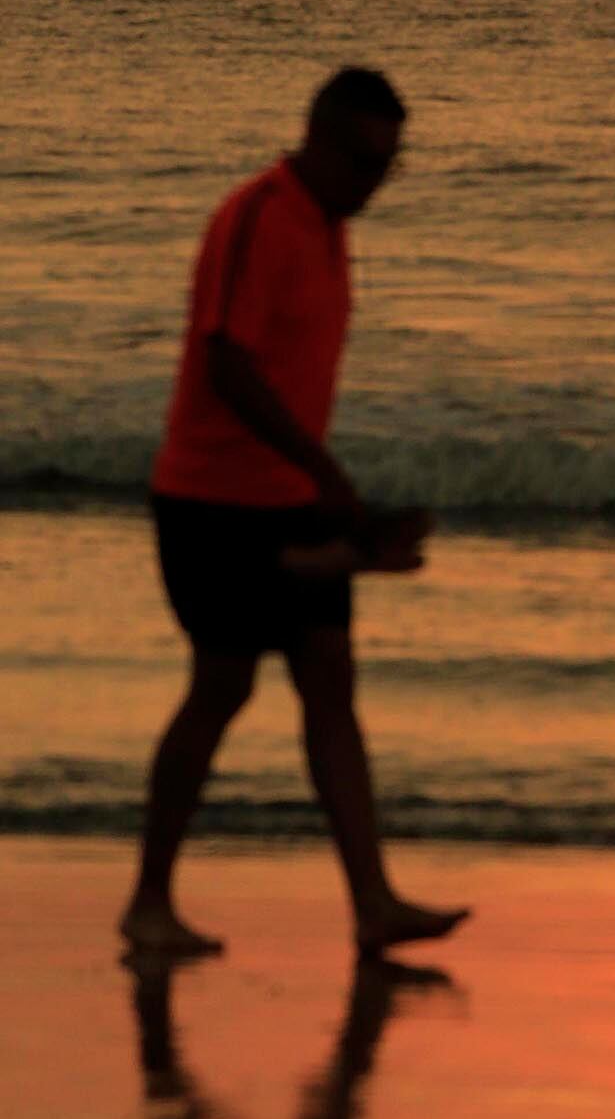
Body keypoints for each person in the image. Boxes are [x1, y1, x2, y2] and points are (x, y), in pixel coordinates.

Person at [120, 67, 468, 959]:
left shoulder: (328, 229)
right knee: (224, 685)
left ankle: (373, 905)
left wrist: (324, 492)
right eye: (361, 161)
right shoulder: (261, 217)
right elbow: (227, 362)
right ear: (315, 137)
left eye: (389, 166)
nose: (372, 183)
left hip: (290, 500)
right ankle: (149, 903)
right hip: (212, 503)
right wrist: (325, 472)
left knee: (330, 684)